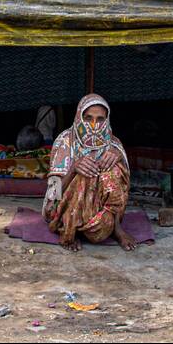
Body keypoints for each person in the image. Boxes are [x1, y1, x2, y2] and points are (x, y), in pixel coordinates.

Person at [42, 93, 137, 252]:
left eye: (100, 119)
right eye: (88, 118)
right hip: (66, 210)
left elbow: (122, 187)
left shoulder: (113, 144)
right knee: (85, 172)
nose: (94, 125)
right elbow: (53, 193)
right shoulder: (65, 141)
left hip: (100, 215)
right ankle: (71, 230)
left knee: (114, 168)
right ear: (79, 116)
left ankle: (116, 229)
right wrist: (74, 169)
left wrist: (118, 158)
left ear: (107, 120)